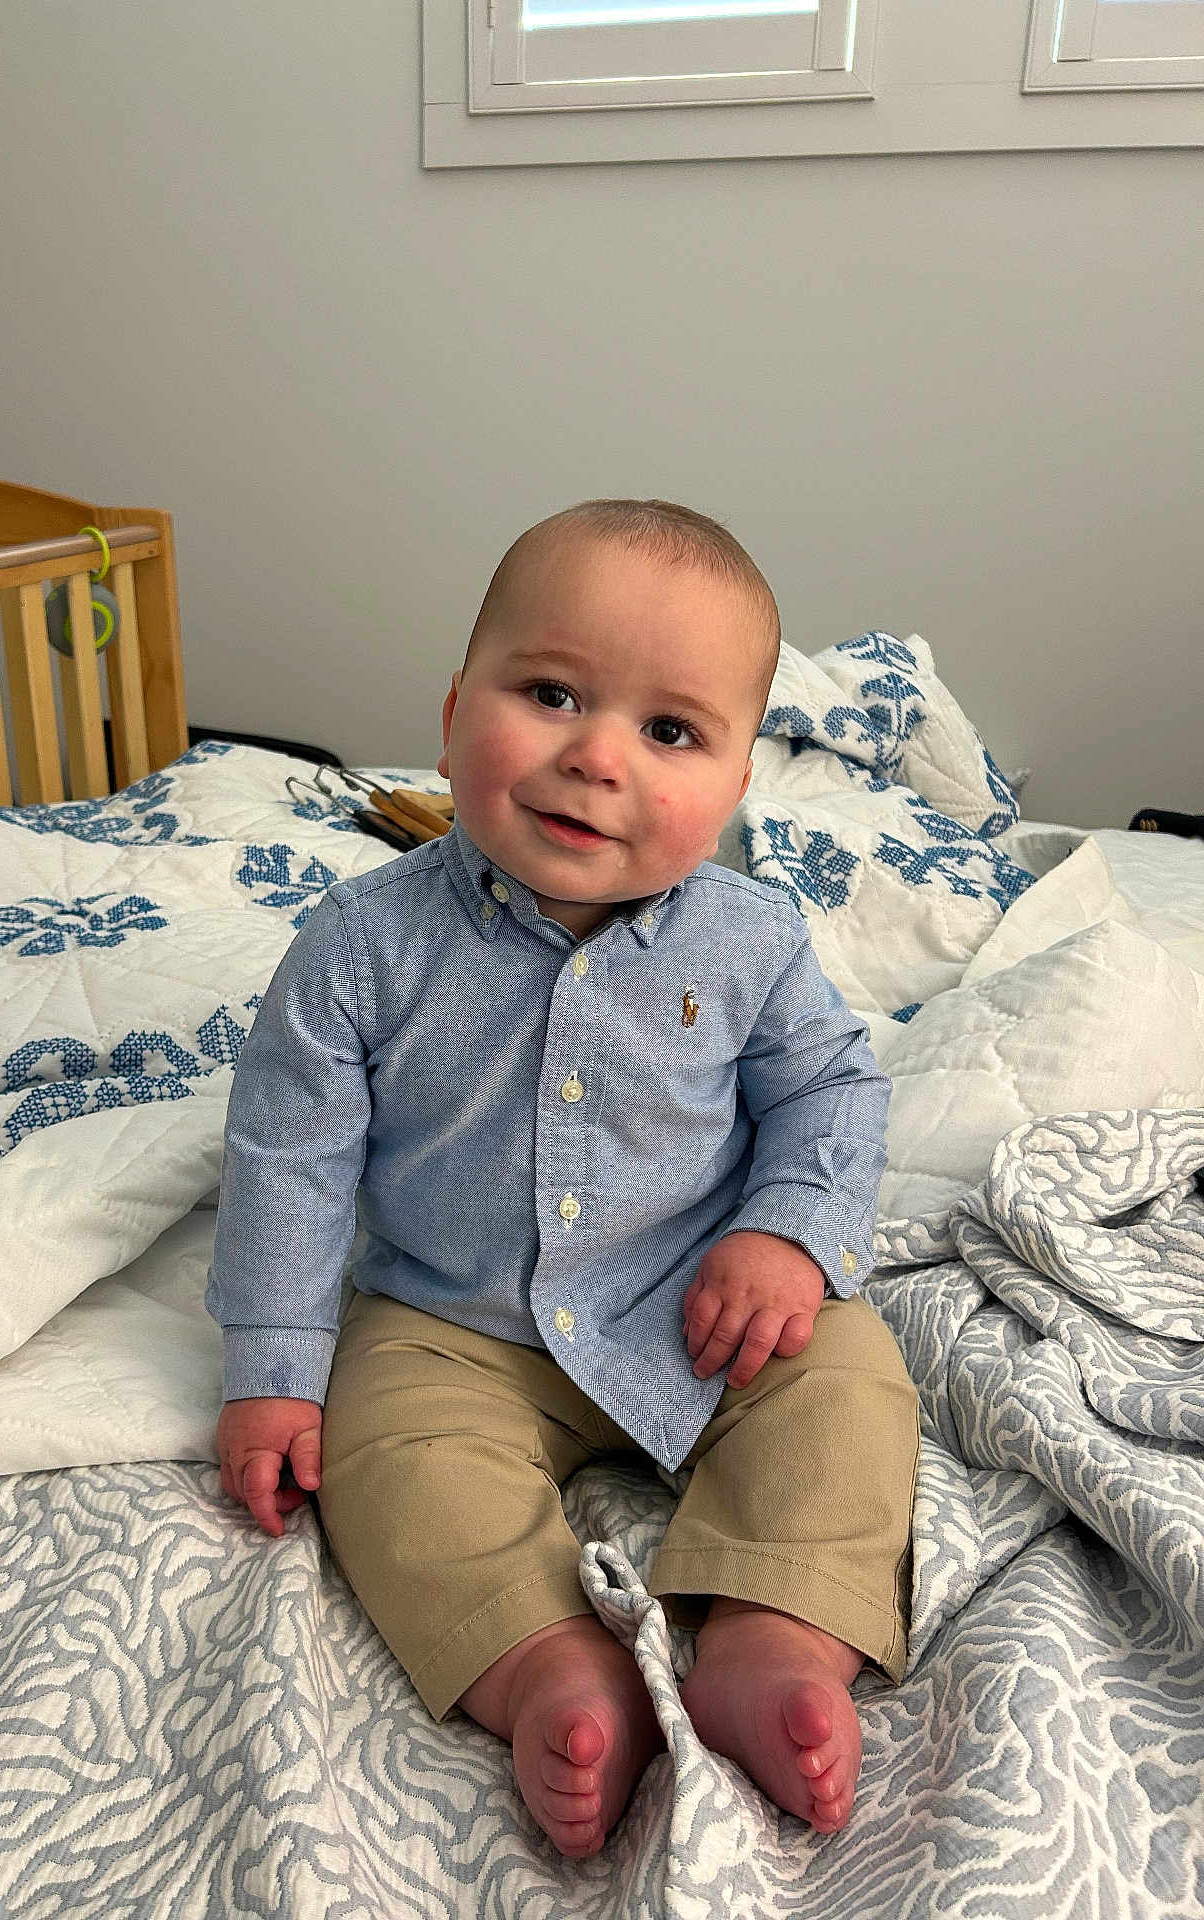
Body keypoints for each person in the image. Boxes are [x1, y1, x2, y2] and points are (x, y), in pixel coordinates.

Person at [207, 499, 919, 1859]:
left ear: (737, 780)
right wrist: (274, 1368)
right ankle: (542, 1661)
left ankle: (775, 1631)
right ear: (451, 707)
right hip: (452, 1322)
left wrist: (788, 1236)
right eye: (549, 693)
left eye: (669, 732)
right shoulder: (361, 948)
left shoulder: (752, 937)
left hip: (698, 1298)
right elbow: (289, 1157)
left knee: (850, 1376)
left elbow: (831, 1091)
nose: (596, 757)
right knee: (390, 1454)